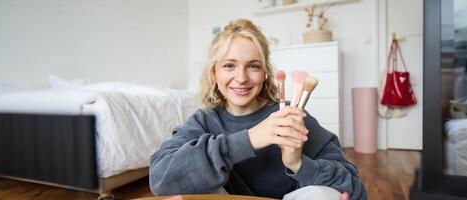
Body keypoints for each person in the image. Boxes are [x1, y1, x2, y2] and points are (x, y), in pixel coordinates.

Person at [149, 19, 367, 200]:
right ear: (214, 73)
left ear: (265, 73)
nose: (241, 78)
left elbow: (356, 192)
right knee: (189, 184)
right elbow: (160, 179)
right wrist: (249, 139)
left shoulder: (293, 117)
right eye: (229, 65)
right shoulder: (203, 122)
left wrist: (298, 163)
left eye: (253, 66)